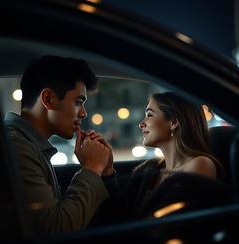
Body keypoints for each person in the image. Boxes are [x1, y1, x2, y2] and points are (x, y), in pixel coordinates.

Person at [4, 55, 114, 235]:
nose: (84, 114)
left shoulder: (29, 144)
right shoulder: (17, 147)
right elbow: (54, 231)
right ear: (48, 99)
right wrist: (92, 169)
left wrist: (105, 171)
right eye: (78, 102)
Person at [88, 91, 228, 226]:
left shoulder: (200, 164)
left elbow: (171, 224)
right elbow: (118, 216)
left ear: (173, 123)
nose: (141, 123)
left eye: (149, 115)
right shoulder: (150, 168)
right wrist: (107, 170)